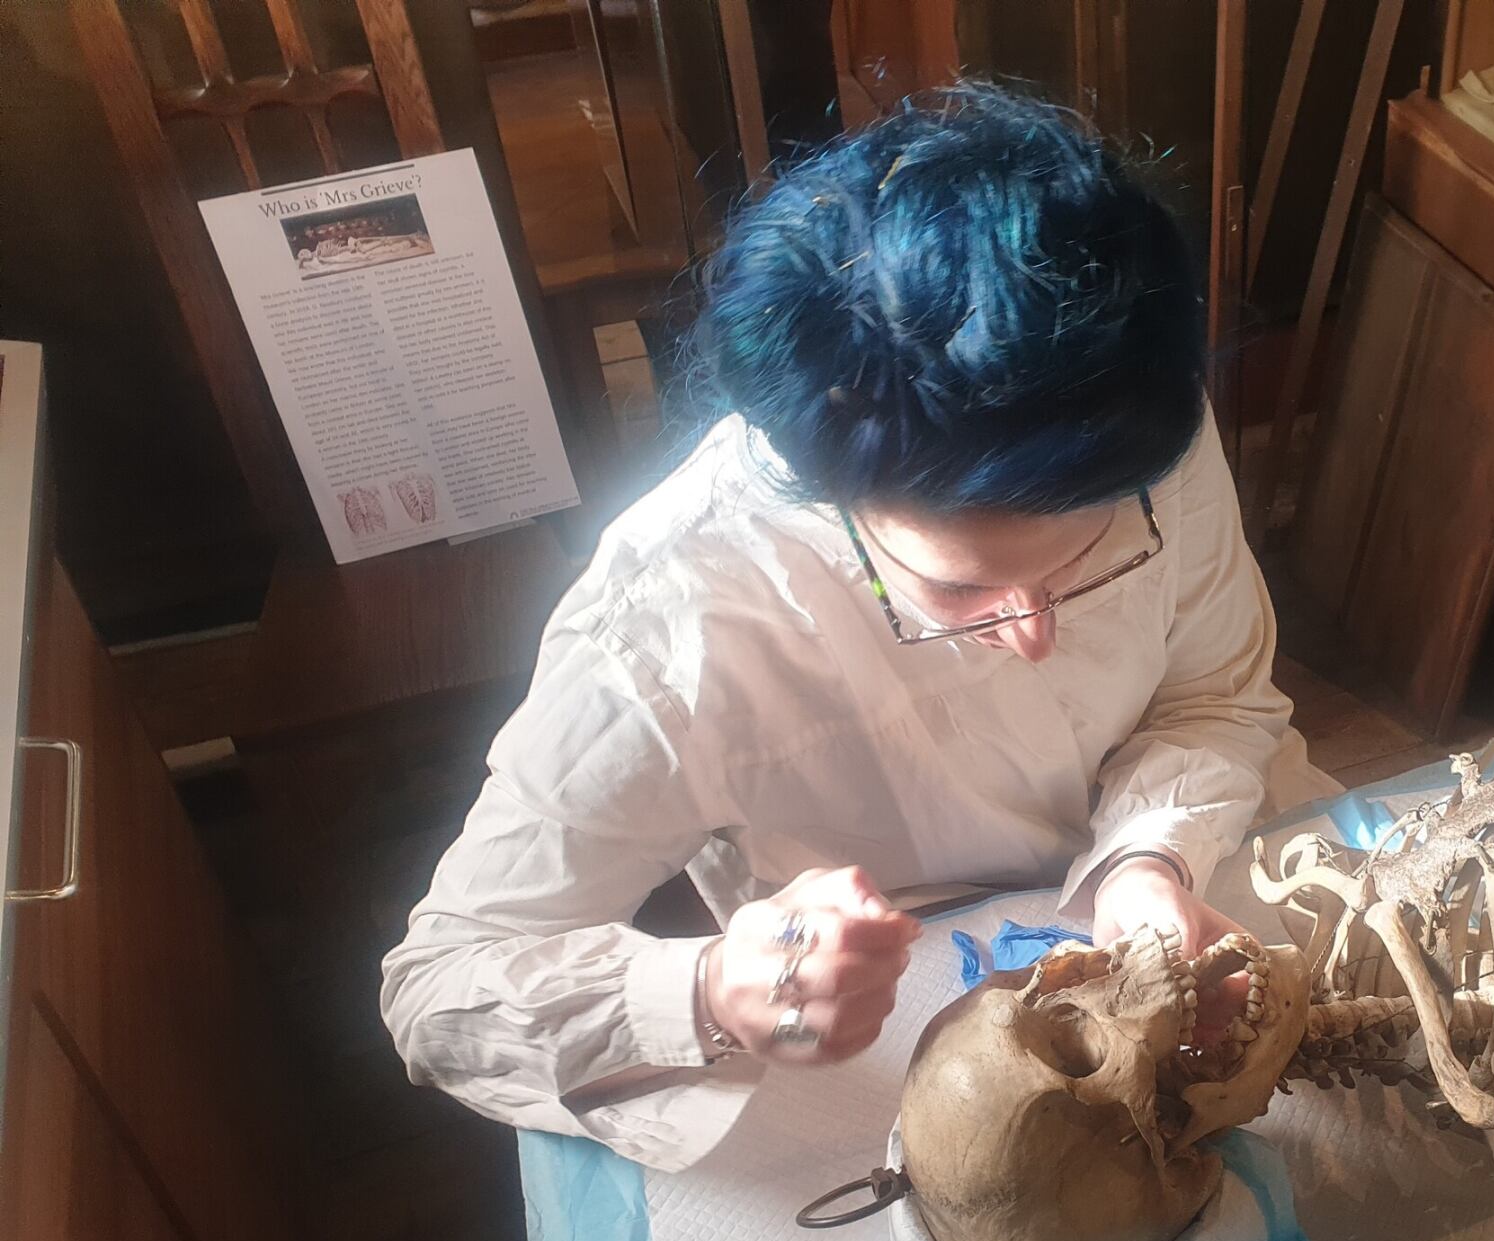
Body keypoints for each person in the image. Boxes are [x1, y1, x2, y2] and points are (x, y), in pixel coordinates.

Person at [380, 87, 1334, 1172]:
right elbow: (437, 988)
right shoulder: (666, 631)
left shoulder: (1122, 423)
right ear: (828, 499)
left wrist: (1146, 862)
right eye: (958, 595)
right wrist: (704, 988)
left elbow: (1215, 694)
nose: (1034, 638)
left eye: (1095, 561)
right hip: (903, 1014)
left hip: (1194, 889)